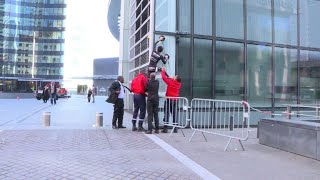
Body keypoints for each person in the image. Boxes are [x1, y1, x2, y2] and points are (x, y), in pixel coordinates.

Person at [161, 67, 182, 133]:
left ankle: (165, 128)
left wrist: (163, 71)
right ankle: (175, 128)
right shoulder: (178, 84)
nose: (174, 76)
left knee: (167, 113)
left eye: (175, 76)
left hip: (169, 100)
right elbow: (171, 80)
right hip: (175, 100)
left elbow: (164, 78)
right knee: (175, 114)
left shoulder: (171, 82)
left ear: (175, 79)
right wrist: (171, 78)